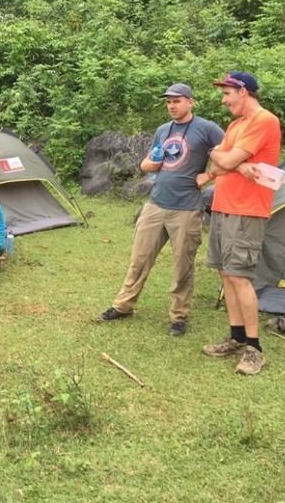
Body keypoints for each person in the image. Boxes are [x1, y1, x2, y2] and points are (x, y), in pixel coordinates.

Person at [96, 84, 225, 336]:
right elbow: (147, 164)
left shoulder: (207, 128)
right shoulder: (163, 130)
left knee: (182, 265)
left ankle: (179, 316)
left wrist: (208, 175)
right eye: (168, 102)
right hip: (155, 204)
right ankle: (123, 305)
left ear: (190, 102)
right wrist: (151, 161)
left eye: (177, 101)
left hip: (186, 208)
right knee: (139, 259)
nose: (172, 106)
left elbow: (231, 153)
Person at [201, 71, 281, 375]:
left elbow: (227, 160)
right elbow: (217, 164)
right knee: (226, 273)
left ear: (243, 91)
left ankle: (254, 348)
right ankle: (236, 337)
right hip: (223, 206)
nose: (224, 100)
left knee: (240, 276)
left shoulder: (264, 121)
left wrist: (230, 159)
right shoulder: (235, 125)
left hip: (247, 210)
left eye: (227, 94)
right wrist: (228, 158)